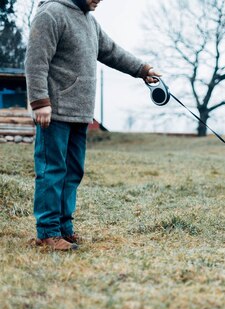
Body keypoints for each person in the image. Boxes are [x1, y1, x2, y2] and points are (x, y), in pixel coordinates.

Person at [25, 0, 160, 251]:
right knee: (51, 171)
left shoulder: (89, 21)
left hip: (80, 113)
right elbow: (35, 60)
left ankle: (64, 228)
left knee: (73, 172)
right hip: (54, 112)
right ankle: (47, 233)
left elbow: (111, 51)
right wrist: (40, 101)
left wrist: (142, 70)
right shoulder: (51, 13)